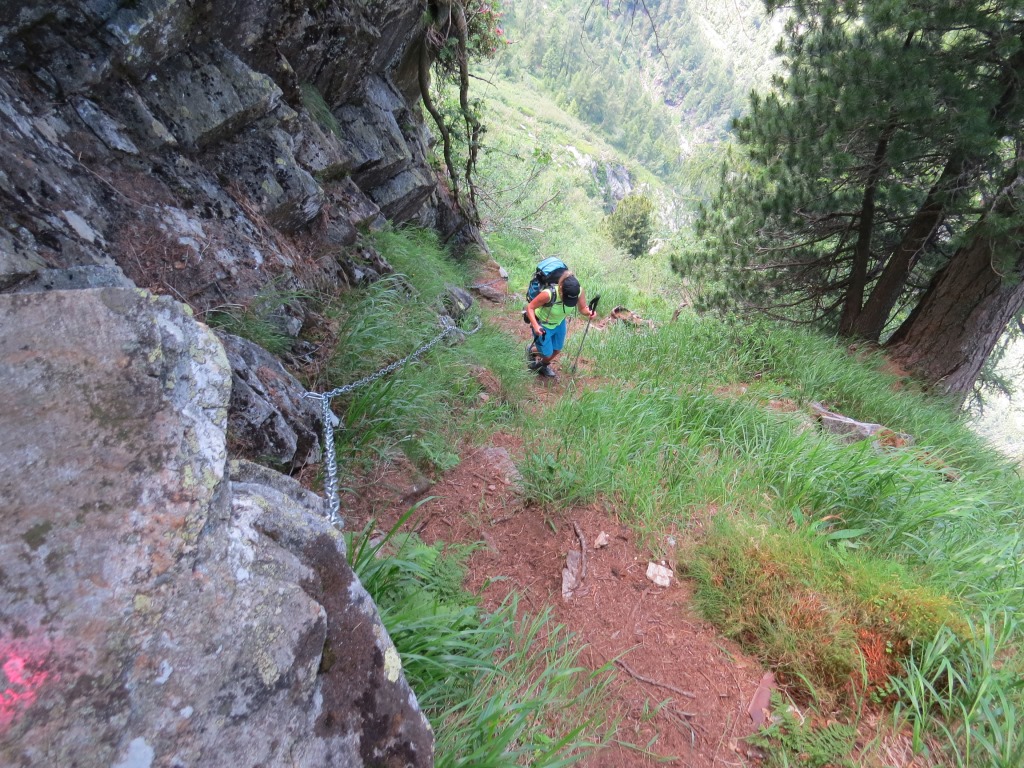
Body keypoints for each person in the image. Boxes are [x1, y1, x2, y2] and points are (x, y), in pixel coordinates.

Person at [524, 270, 596, 378]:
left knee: (557, 349)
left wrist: (589, 312)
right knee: (546, 353)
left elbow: (582, 309)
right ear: (561, 289)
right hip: (543, 324)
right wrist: (535, 326)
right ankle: (531, 350)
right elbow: (530, 307)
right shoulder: (548, 294)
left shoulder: (578, 291)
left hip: (559, 323)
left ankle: (542, 366)